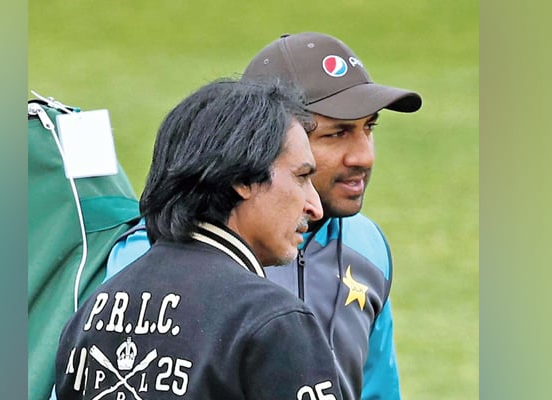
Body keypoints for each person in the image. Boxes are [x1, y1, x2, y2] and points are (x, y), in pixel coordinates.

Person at [106, 32, 423, 400]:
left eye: (369, 127)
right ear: (261, 144)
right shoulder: (154, 256)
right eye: (337, 134)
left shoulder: (366, 245)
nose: (363, 156)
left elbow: (377, 390)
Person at [54, 78, 342, 400]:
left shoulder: (96, 310)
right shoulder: (271, 319)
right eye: (301, 177)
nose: (314, 207)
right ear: (243, 178)